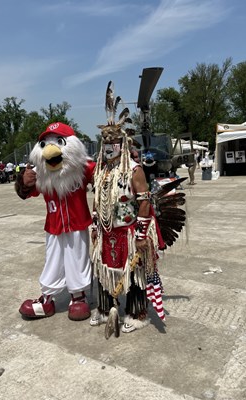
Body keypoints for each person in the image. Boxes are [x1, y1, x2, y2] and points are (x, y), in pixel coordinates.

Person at [90, 82, 166, 337]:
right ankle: (103, 309)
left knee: (134, 276)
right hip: (106, 232)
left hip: (129, 233)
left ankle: (137, 313)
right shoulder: (101, 170)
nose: (109, 147)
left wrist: (143, 236)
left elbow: (144, 201)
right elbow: (96, 199)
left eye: (113, 142)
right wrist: (94, 225)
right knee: (102, 270)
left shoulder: (134, 170)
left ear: (122, 144)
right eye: (105, 143)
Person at [15, 122, 96, 321]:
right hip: (53, 226)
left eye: (59, 142)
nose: (52, 150)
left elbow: (104, 177)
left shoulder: (82, 168)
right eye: (45, 143)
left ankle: (78, 297)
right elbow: (27, 193)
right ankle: (47, 299)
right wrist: (23, 182)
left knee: (77, 258)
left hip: (77, 224)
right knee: (53, 261)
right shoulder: (41, 172)